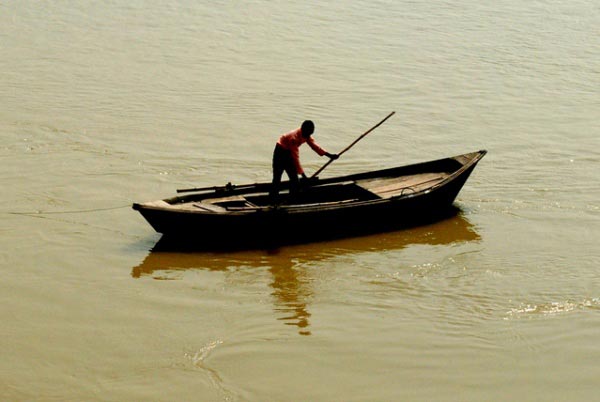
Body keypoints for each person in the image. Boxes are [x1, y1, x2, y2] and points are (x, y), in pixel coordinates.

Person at [270, 120, 338, 202]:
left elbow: (315, 146)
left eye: (310, 134)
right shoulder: (293, 138)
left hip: (289, 153)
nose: (309, 136)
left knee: (294, 180)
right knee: (277, 178)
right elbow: (295, 158)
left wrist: (329, 155)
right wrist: (303, 175)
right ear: (303, 130)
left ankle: (291, 200)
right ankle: (273, 201)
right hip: (280, 152)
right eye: (308, 134)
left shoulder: (306, 135)